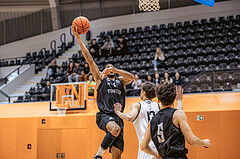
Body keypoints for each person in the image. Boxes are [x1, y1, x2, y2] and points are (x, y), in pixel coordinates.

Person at [71, 25, 134, 159]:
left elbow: (131, 77)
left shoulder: (120, 81)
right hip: (104, 115)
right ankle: (98, 156)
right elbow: (89, 59)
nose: (108, 68)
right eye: (107, 67)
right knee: (115, 129)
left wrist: (115, 70)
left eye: (110, 67)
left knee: (117, 156)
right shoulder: (100, 79)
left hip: (119, 117)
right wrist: (79, 40)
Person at [140, 81, 210, 159]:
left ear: (158, 100)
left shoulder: (152, 122)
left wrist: (156, 154)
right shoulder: (177, 115)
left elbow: (143, 146)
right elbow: (192, 140)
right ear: (173, 99)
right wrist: (204, 143)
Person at [114, 82, 183, 159]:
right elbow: (176, 113)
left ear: (144, 92)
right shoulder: (159, 105)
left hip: (146, 148)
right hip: (160, 147)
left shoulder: (137, 105)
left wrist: (118, 113)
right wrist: (179, 101)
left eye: (141, 91)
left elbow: (130, 117)